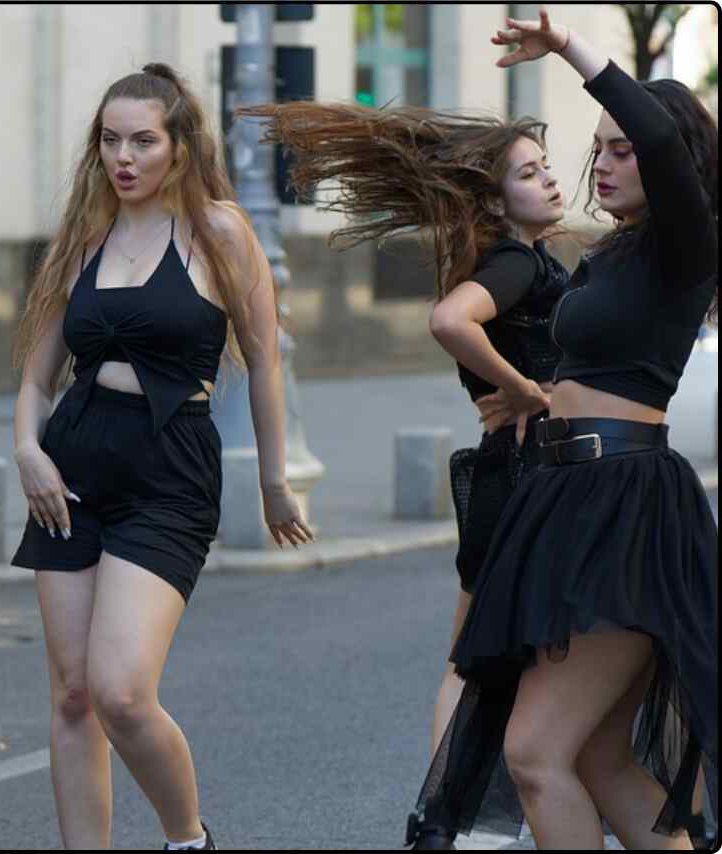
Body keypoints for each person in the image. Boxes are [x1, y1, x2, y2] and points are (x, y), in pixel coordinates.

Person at [411, 9, 718, 850]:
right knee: (601, 763)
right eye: (601, 147)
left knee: (535, 751)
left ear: (670, 161)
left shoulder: (686, 245)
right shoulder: (611, 254)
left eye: (624, 149)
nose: (606, 161)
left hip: (624, 507)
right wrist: (534, 393)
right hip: (566, 498)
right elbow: (588, 362)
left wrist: (572, 49)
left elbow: (660, 131)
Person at [239, 94, 572, 847]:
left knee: (474, 657)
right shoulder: (515, 262)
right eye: (530, 173)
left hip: (506, 476)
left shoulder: (518, 258)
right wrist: (521, 388)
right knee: (513, 658)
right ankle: (458, 818)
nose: (551, 182)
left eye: (548, 168)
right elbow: (450, 322)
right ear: (494, 196)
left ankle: (443, 821)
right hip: (527, 480)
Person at [9, 62, 314, 851]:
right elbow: (38, 374)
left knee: (121, 691)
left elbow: (264, 359)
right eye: (111, 140)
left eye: (143, 140)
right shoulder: (82, 239)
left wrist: (275, 480)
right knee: (73, 695)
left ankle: (187, 838)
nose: (125, 157)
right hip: (72, 463)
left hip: (171, 467)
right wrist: (25, 451)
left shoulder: (219, 232)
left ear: (180, 147)